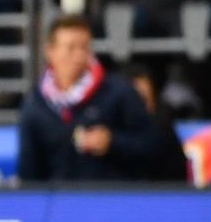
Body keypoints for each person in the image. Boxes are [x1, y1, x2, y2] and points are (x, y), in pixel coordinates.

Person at [15, 14, 160, 184]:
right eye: (70, 48)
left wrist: (112, 143)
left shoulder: (120, 93)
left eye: (84, 47)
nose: (79, 56)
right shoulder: (35, 105)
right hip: (59, 205)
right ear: (50, 51)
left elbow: (152, 146)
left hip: (112, 202)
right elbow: (29, 174)